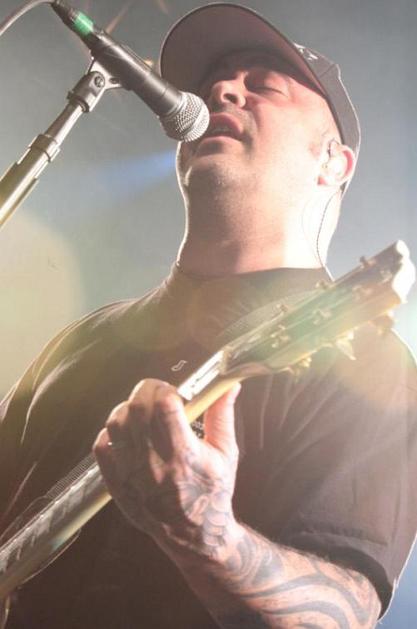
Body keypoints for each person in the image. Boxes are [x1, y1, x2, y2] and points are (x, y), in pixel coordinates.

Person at [1, 3, 417, 628]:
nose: (222, 89)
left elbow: (344, 612)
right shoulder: (83, 339)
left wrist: (207, 533)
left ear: (333, 162)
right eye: (215, 81)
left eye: (264, 84)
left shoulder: (367, 360)